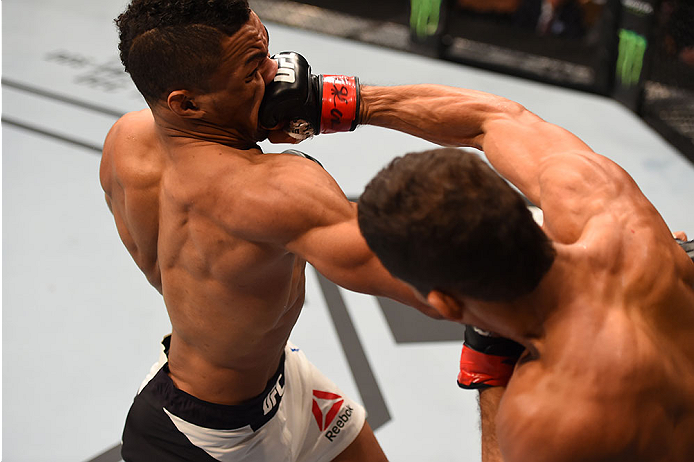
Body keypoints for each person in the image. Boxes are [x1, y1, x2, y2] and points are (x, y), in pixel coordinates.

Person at [100, 1, 441, 460]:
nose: (277, 73)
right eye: (250, 73)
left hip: (278, 382)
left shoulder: (126, 141)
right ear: (187, 103)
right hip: (206, 443)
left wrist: (244, 127)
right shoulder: (278, 190)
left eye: (266, 52)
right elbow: (435, 290)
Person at [355, 84, 694, 461]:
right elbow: (491, 119)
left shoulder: (546, 415)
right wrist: (346, 100)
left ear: (448, 305)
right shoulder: (605, 204)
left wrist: (490, 361)